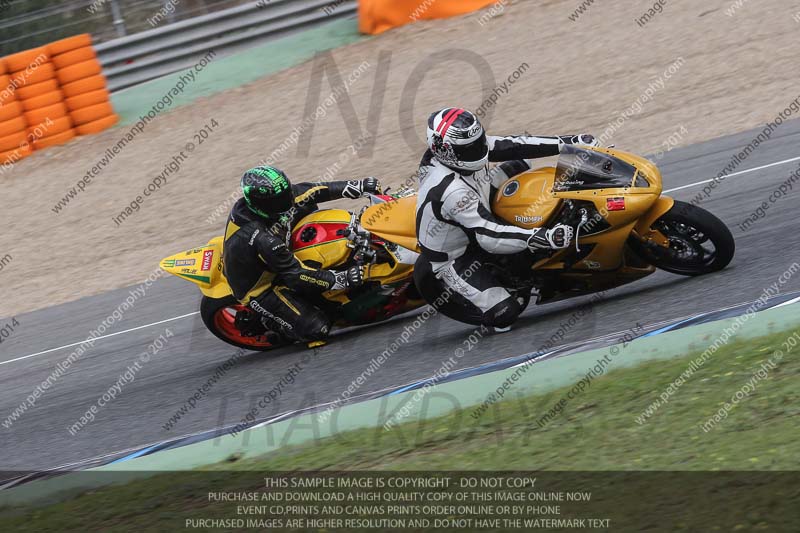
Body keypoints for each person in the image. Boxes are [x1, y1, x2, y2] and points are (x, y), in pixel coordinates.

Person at [414, 107, 598, 330]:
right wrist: (542, 236)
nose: (480, 149)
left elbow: (515, 144)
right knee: (505, 314)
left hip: (477, 201)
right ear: (445, 151)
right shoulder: (449, 190)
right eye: (470, 148)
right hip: (456, 255)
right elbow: (489, 236)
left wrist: (570, 142)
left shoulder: (462, 150)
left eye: (479, 142)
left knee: (521, 160)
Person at [223, 165, 381, 344]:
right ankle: (269, 323)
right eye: (276, 201)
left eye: (285, 195)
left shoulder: (273, 201)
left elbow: (312, 190)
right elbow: (296, 275)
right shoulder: (262, 238)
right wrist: (342, 279)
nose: (285, 203)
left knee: (306, 204)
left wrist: (357, 186)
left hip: (275, 253)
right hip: (261, 288)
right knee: (317, 329)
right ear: (258, 204)